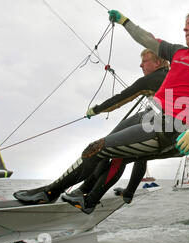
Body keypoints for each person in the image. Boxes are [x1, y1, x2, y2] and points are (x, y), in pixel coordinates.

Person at [15, 9, 189, 214]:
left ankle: (50, 193)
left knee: (96, 149)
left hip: (171, 125)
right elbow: (147, 39)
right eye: (185, 24)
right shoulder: (178, 52)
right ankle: (87, 198)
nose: (185, 28)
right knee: (113, 149)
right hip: (149, 115)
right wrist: (124, 21)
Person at [13, 49, 169, 207]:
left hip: (155, 125)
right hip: (163, 129)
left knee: (101, 150)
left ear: (157, 63)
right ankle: (96, 193)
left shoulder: (154, 78)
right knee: (126, 154)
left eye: (145, 61)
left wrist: (96, 109)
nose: (140, 65)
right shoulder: (168, 77)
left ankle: (52, 192)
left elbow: (121, 97)